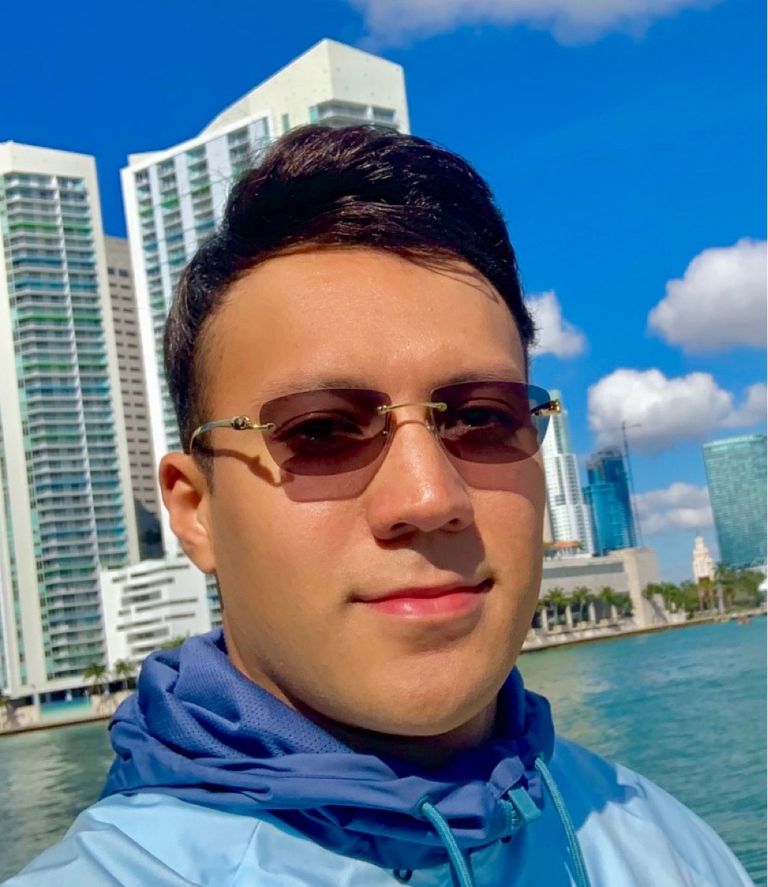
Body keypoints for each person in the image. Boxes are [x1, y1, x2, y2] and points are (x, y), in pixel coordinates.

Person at [7, 125, 752, 887]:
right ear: (196, 509)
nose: (430, 498)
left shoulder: (669, 846)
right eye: (320, 431)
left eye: (481, 417)